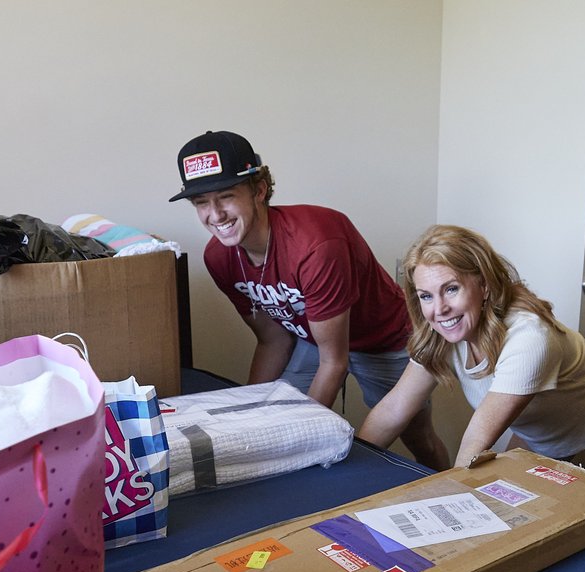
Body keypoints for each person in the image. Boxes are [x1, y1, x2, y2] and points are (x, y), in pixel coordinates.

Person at [169, 130, 447, 470]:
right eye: (201, 203)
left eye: (226, 196)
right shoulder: (219, 257)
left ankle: (448, 482)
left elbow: (335, 362)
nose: (215, 214)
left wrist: (305, 439)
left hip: (385, 339)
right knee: (270, 420)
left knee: (417, 437)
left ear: (259, 190)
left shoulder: (316, 243)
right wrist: (246, 418)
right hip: (312, 338)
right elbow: (272, 340)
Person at [358, 224, 585, 469]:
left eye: (451, 289)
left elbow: (475, 442)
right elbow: (393, 410)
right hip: (547, 428)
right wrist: (350, 468)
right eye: (426, 296)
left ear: (484, 285)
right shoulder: (440, 335)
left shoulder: (529, 337)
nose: (439, 309)